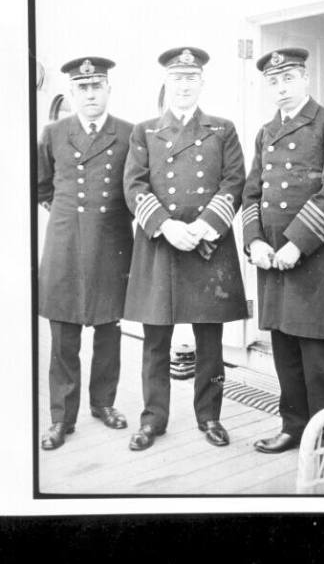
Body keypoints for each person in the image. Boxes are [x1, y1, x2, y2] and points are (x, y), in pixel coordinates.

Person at [123, 47, 247, 451]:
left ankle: (210, 417)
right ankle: (153, 419)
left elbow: (234, 182)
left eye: (191, 78)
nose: (184, 86)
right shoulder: (144, 131)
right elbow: (134, 185)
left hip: (207, 247)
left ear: (201, 84)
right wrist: (166, 226)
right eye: (177, 78)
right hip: (162, 247)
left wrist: (204, 226)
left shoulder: (222, 129)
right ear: (167, 83)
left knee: (209, 343)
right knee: (156, 341)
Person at [242, 47, 324, 453]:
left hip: (313, 262)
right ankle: (294, 427)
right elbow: (250, 192)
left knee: (318, 359)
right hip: (271, 261)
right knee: (285, 352)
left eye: (288, 78)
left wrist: (297, 244)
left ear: (306, 79)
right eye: (273, 82)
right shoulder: (265, 132)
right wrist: (253, 240)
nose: (281, 88)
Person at [38, 57, 133, 450]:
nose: (91, 94)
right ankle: (61, 418)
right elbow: (41, 186)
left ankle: (103, 404)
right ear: (73, 93)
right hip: (64, 245)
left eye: (97, 87)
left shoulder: (129, 133)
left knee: (109, 331)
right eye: (83, 88)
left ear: (109, 90)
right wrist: (68, 220)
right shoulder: (53, 133)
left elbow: (135, 188)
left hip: (111, 245)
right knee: (64, 335)